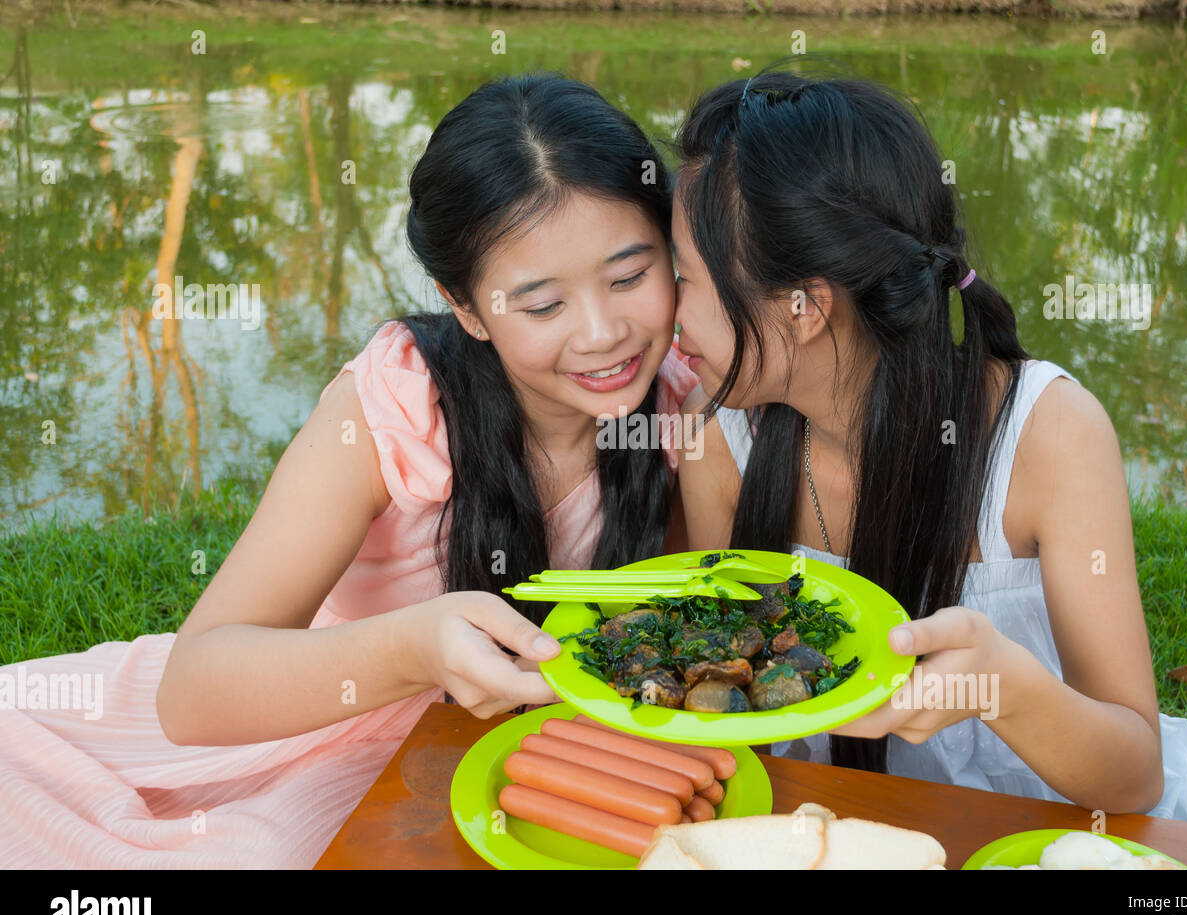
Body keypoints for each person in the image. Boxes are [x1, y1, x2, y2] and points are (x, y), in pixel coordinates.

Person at [0, 73, 698, 868]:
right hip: (293, 715)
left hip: (500, 756)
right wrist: (413, 650)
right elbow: (193, 692)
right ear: (465, 307)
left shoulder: (684, 398)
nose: (606, 333)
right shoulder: (398, 407)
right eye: (542, 307)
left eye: (632, 275)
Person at [671, 65, 1187, 869]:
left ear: (805, 308)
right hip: (856, 833)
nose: (666, 308)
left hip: (1070, 837)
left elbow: (1134, 771)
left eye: (686, 276)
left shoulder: (1047, 434)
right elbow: (729, 717)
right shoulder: (722, 440)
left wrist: (1002, 687)